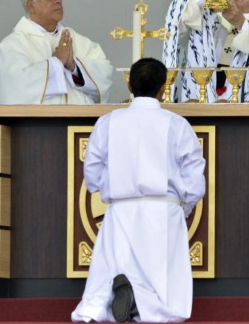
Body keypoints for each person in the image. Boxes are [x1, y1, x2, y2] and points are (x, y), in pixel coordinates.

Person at [71, 58, 206, 322]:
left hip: (121, 207)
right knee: (161, 279)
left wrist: (103, 187)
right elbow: (194, 176)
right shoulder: (177, 125)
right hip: (164, 210)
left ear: (129, 85)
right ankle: (145, 307)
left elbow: (92, 169)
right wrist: (185, 206)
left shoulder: (109, 122)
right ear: (164, 87)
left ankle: (104, 306)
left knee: (113, 266)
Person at [0, 0, 113, 104]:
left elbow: (104, 74)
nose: (57, 1)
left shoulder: (75, 39)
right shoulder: (13, 45)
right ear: (31, 5)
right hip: (36, 124)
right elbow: (15, 87)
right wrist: (57, 62)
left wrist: (74, 66)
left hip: (80, 121)